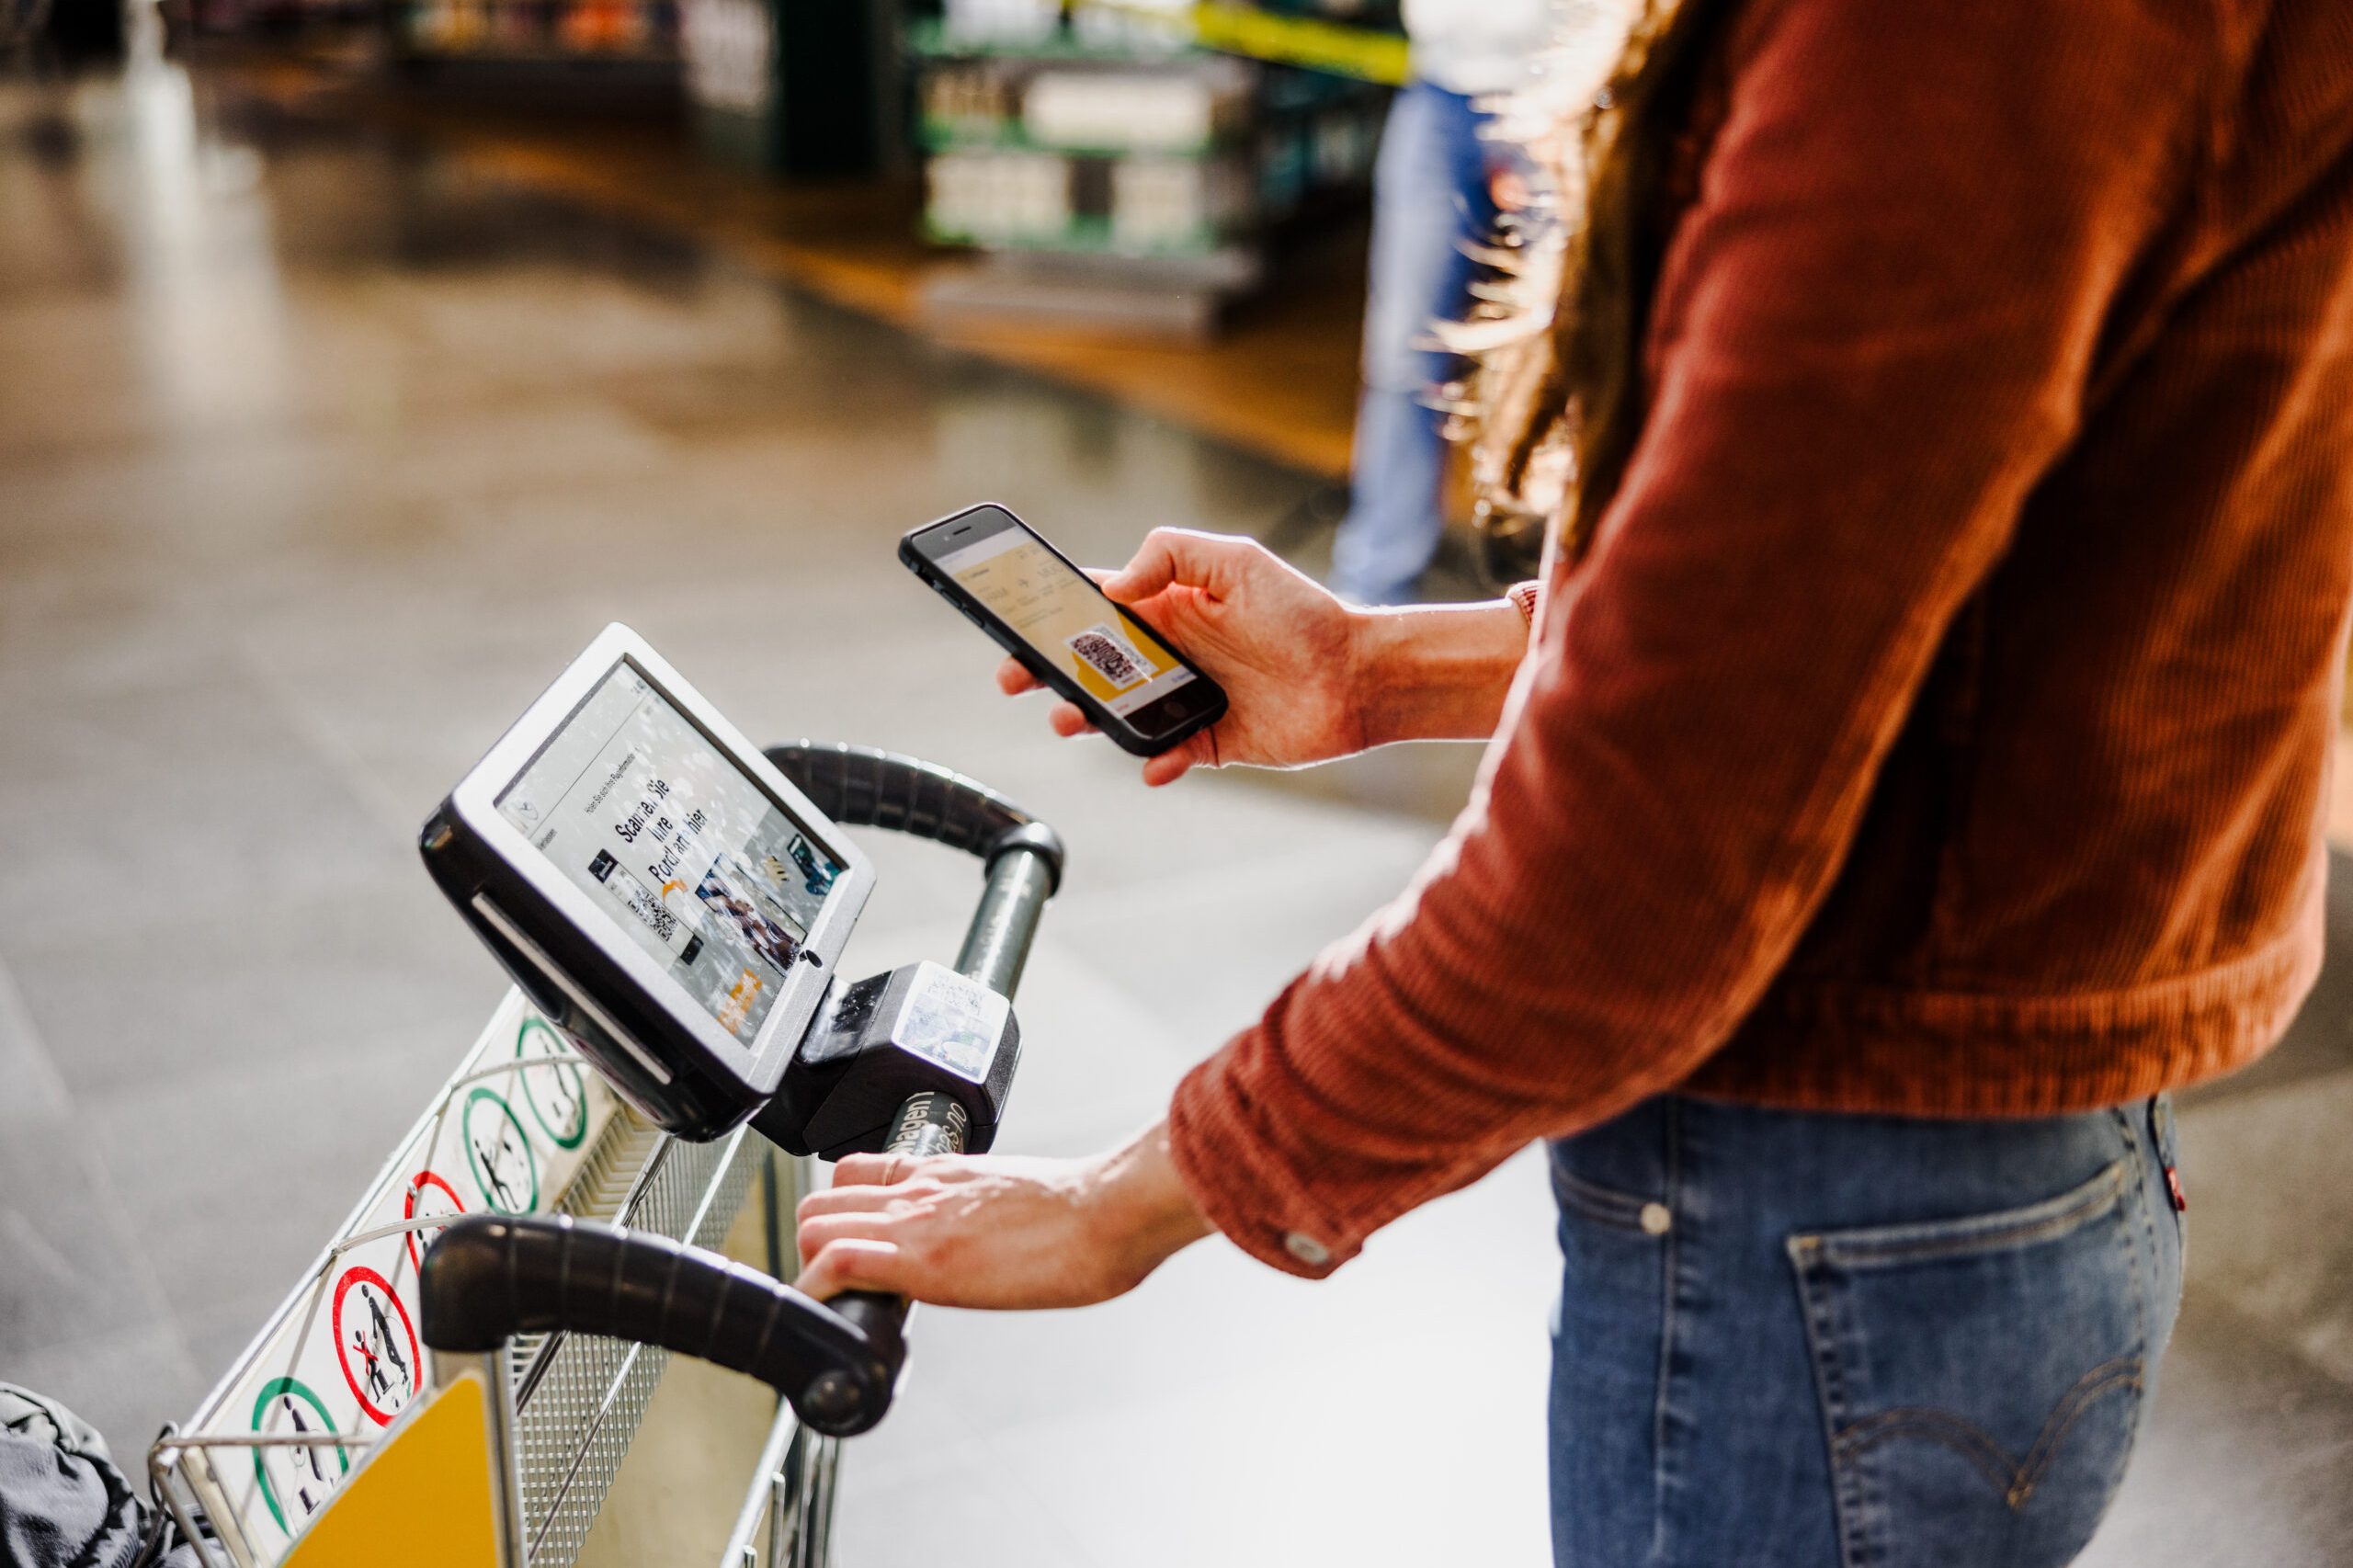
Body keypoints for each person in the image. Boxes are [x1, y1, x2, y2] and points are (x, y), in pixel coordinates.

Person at [797, 0, 2353, 1562]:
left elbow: (1644, 861)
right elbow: (1891, 596)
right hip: (1986, 1175)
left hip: (1840, 1227)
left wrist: (1130, 1198)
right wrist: (1374, 669)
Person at [1324, 0, 1555, 606]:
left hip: (1567, 85)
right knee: (1404, 354)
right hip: (1439, 89)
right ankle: (1373, 593)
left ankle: (1569, 594)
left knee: (1573, 355)